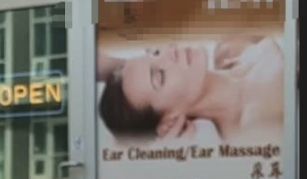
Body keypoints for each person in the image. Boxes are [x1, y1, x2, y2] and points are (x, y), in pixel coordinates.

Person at [97, 35, 284, 144]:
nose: (169, 53)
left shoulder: (228, 46)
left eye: (155, 53)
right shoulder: (255, 128)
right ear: (169, 122)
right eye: (159, 76)